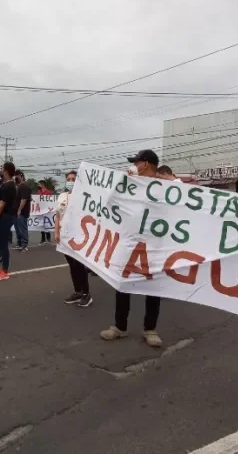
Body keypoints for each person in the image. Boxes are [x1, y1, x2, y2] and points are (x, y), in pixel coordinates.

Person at [100, 149, 164, 348]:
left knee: (153, 287)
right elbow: (109, 201)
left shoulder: (165, 187)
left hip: (154, 246)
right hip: (129, 243)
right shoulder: (130, 185)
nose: (134, 166)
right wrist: (123, 183)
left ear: (145, 164)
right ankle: (120, 326)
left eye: (137, 163)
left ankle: (150, 329)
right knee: (123, 285)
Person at [55, 170, 92, 307]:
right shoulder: (62, 196)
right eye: (68, 179)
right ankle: (77, 291)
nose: (70, 182)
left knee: (79, 265)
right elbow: (58, 215)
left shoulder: (83, 197)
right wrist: (56, 232)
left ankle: (86, 294)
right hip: (64, 236)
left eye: (73, 179)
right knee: (71, 265)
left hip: (78, 235)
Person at [14, 171, 32, 251]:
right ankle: (20, 243)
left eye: (17, 176)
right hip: (16, 211)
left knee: (22, 228)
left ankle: (24, 244)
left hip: (22, 212)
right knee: (18, 228)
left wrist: (19, 210)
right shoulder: (18, 187)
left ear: (21, 176)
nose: (15, 178)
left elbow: (23, 200)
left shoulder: (24, 187)